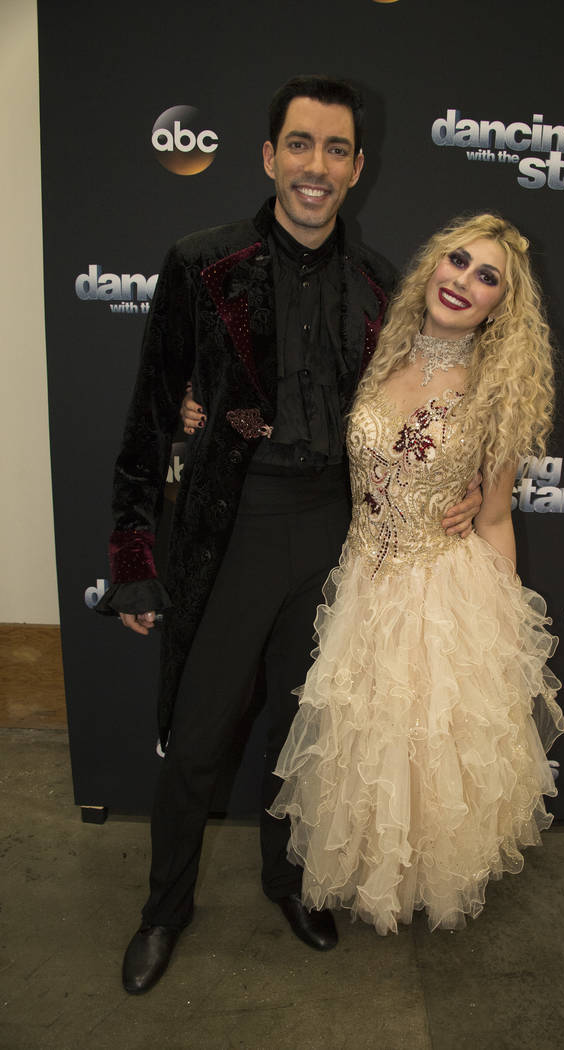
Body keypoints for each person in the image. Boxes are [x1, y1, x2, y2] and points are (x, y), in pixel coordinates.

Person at [97, 75, 482, 994]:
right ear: (271, 157)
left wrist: (465, 488)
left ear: (356, 167)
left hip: (338, 541)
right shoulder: (201, 264)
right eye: (300, 145)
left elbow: (424, 405)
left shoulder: (383, 284)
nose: (316, 165)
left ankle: (290, 883)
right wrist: (133, 559)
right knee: (197, 737)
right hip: (229, 532)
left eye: (335, 149)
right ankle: (164, 910)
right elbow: (148, 419)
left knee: (305, 730)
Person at [269, 213, 564, 935]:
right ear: (433, 265)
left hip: (438, 593)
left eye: (486, 277)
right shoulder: (376, 351)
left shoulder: (497, 391)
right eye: (457, 261)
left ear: (500, 304)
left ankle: (413, 882)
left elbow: (494, 517)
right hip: (358, 583)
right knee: (361, 749)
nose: (463, 281)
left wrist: (504, 637)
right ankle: (360, 875)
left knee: (426, 759)